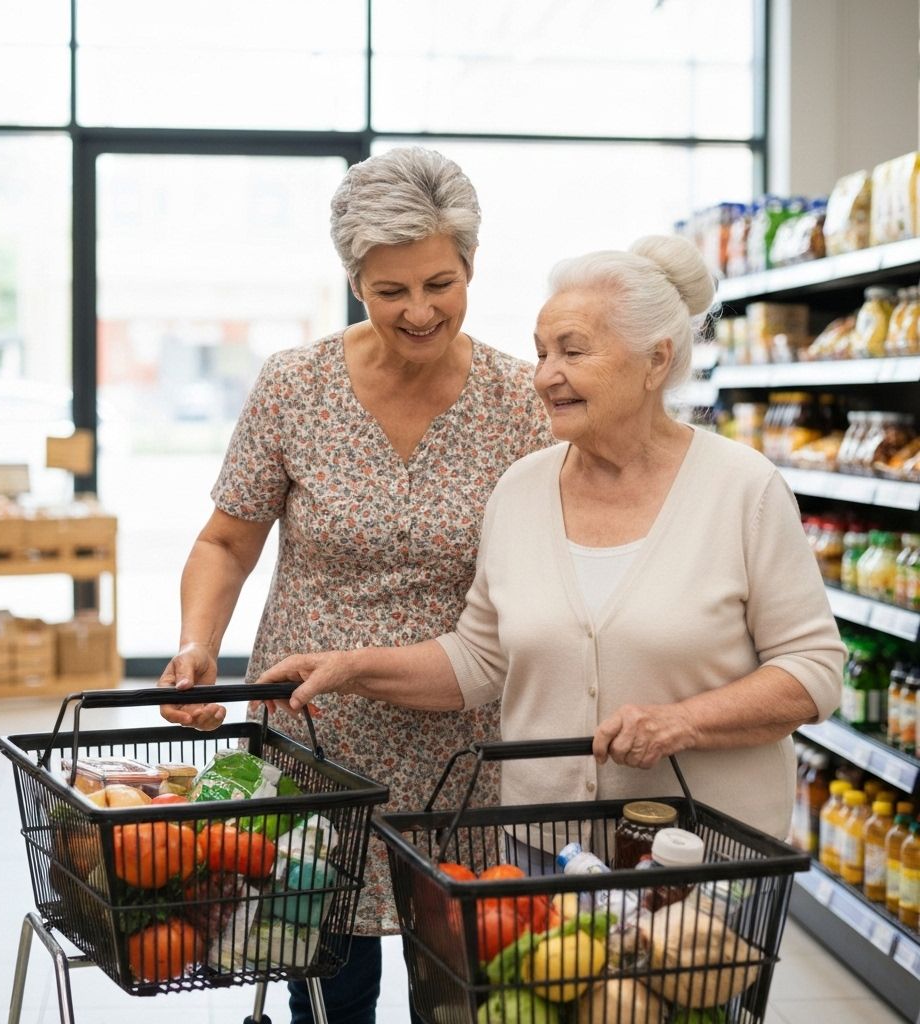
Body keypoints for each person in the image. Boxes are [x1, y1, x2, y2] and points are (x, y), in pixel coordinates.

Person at [257, 233, 845, 850]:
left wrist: (683, 723)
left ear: (655, 361)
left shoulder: (743, 489)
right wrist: (352, 668)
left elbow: (813, 669)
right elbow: (480, 659)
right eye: (540, 353)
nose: (544, 377)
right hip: (545, 849)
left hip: (702, 856)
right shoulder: (521, 490)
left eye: (572, 351)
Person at [157, 146, 553, 1024]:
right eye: (390, 290)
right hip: (314, 737)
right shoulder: (295, 386)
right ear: (352, 282)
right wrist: (196, 645)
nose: (420, 311)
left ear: (471, 266)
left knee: (460, 986)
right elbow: (225, 541)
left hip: (457, 743)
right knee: (328, 987)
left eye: (440, 283)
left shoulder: (520, 402)